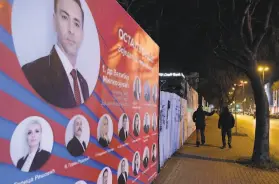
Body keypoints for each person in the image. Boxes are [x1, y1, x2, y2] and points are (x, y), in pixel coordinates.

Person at [21, 0, 89, 108]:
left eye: (76, 23)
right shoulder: (33, 73)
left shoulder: (83, 84)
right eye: (64, 17)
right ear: (54, 21)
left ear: (82, 33)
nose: (71, 30)